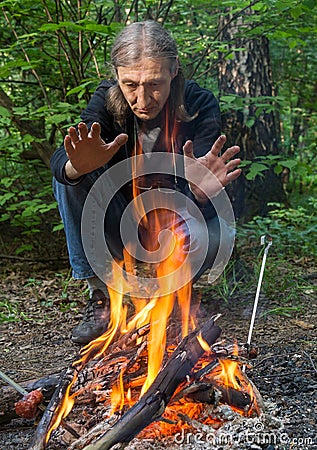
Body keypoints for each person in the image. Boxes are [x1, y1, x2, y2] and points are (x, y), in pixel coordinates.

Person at [51, 20, 241, 345]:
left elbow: (212, 176)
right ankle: (100, 299)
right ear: (116, 76)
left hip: (181, 220)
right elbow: (61, 162)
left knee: (209, 218)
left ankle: (181, 296)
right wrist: (74, 166)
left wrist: (198, 191)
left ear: (174, 70)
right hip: (123, 221)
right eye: (130, 85)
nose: (143, 99)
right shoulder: (107, 102)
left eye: (154, 83)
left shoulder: (198, 103)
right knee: (70, 179)